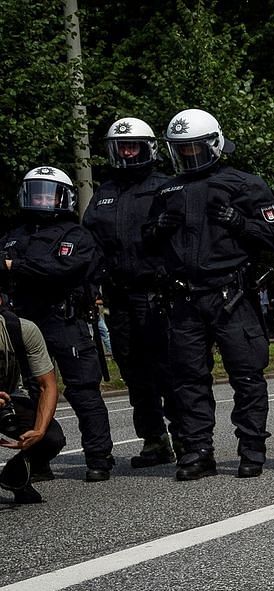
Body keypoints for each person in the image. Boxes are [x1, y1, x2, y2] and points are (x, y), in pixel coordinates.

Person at [146, 109, 274, 481]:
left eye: (194, 147)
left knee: (246, 375)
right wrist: (156, 230)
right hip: (184, 299)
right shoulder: (166, 189)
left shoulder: (244, 184)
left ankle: (252, 448)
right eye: (181, 149)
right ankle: (197, 452)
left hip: (231, 295)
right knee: (188, 379)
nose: (188, 154)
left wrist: (241, 223)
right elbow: (145, 247)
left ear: (214, 144)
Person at [1, 167, 110, 482]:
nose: (43, 200)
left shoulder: (75, 234)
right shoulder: (15, 234)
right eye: (37, 193)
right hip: (23, 322)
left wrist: (13, 266)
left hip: (63, 320)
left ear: (64, 197)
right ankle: (39, 458)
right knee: (32, 392)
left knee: (83, 390)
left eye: (49, 193)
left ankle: (99, 457)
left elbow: (60, 270)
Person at [84, 118, 180, 469]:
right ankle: (154, 439)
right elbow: (89, 244)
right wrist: (89, 285)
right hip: (120, 296)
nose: (126, 152)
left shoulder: (166, 187)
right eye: (121, 146)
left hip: (159, 294)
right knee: (134, 370)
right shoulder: (104, 193)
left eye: (133, 145)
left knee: (169, 366)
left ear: (147, 147)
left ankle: (186, 435)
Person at [0, 300, 64, 504]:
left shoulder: (22, 329)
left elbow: (48, 385)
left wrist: (39, 430)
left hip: (6, 401)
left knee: (51, 437)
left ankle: (15, 476)